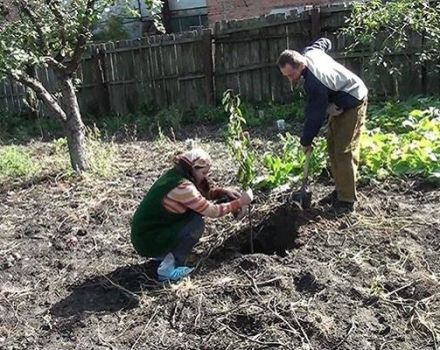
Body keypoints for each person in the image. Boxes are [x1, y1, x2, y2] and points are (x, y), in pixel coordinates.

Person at [131, 148, 253, 282]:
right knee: (196, 223)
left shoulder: (174, 175)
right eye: (203, 173)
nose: (205, 177)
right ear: (193, 169)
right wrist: (240, 202)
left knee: (193, 215)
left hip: (148, 233)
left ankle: (164, 256)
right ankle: (168, 270)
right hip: (147, 239)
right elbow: (212, 211)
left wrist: (222, 192)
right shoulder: (183, 187)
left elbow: (201, 196)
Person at [277, 38, 368, 213]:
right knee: (332, 146)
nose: (290, 79)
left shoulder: (315, 83)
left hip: (354, 98)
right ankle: (340, 190)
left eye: (291, 75)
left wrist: (306, 141)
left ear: (300, 66)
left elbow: (315, 116)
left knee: (343, 149)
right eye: (285, 75)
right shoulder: (310, 52)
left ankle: (347, 201)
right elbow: (324, 42)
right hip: (339, 100)